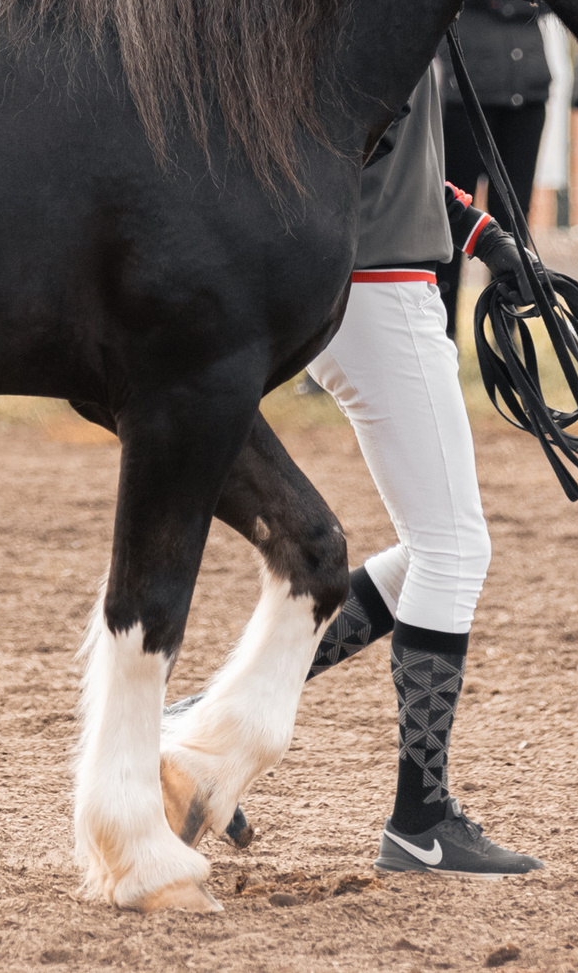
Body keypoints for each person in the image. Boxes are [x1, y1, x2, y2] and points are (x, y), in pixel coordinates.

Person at [220, 65, 545, 877]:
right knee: (453, 551)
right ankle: (421, 817)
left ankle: (204, 721)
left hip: (384, 275)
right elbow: (349, 137)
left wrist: (479, 233)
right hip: (380, 284)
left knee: (432, 550)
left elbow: (389, 153)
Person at [433, 0, 548, 333]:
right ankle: (445, 331)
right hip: (464, 98)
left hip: (526, 95)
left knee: (514, 218)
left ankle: (508, 331)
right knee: (452, 220)